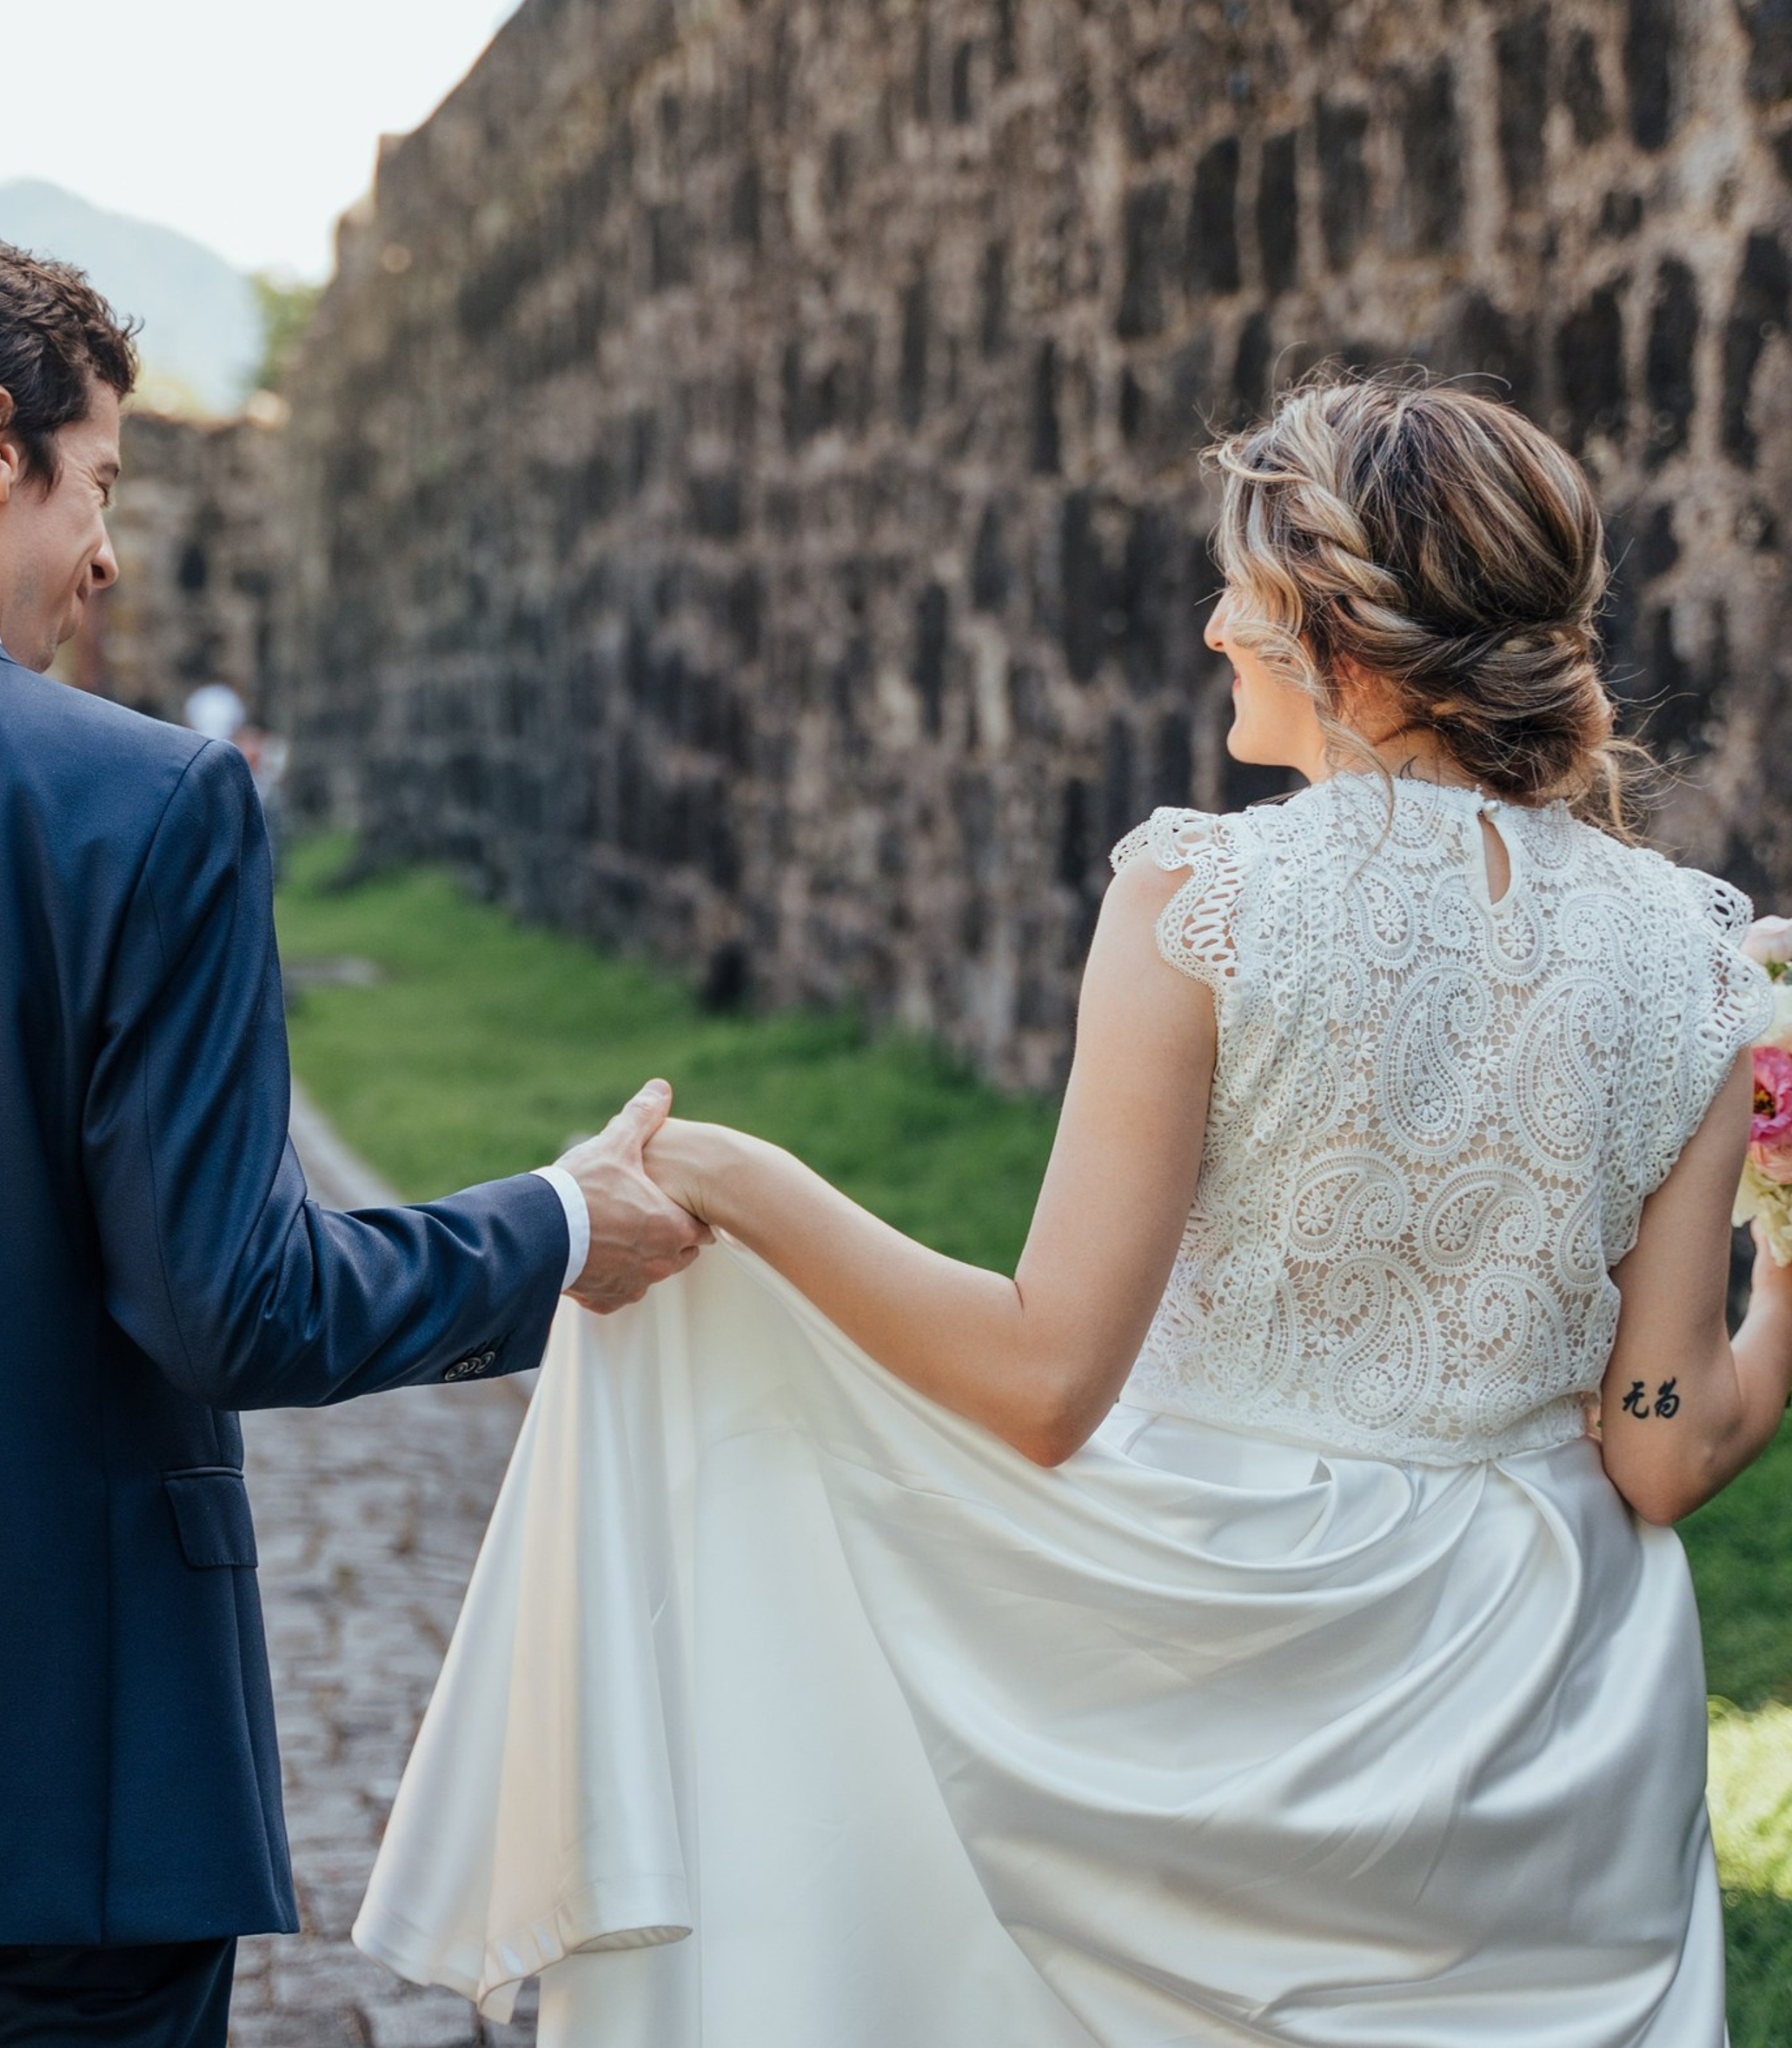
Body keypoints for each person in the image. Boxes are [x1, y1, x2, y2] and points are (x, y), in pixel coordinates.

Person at [355, 376, 1787, 2045]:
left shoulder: (1210, 895)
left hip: (1232, 1657)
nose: (1211, 626)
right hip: (1553, 1707)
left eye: (1244, 591)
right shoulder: (1691, 954)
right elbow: (1666, 1446)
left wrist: (731, 1175)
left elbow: (1046, 1384)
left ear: (1343, 628)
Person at [0, 216, 706, 2048]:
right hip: (76, 1740)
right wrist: (557, 1224)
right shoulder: (147, 799)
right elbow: (232, 1301)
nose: (105, 551)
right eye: (95, 481)